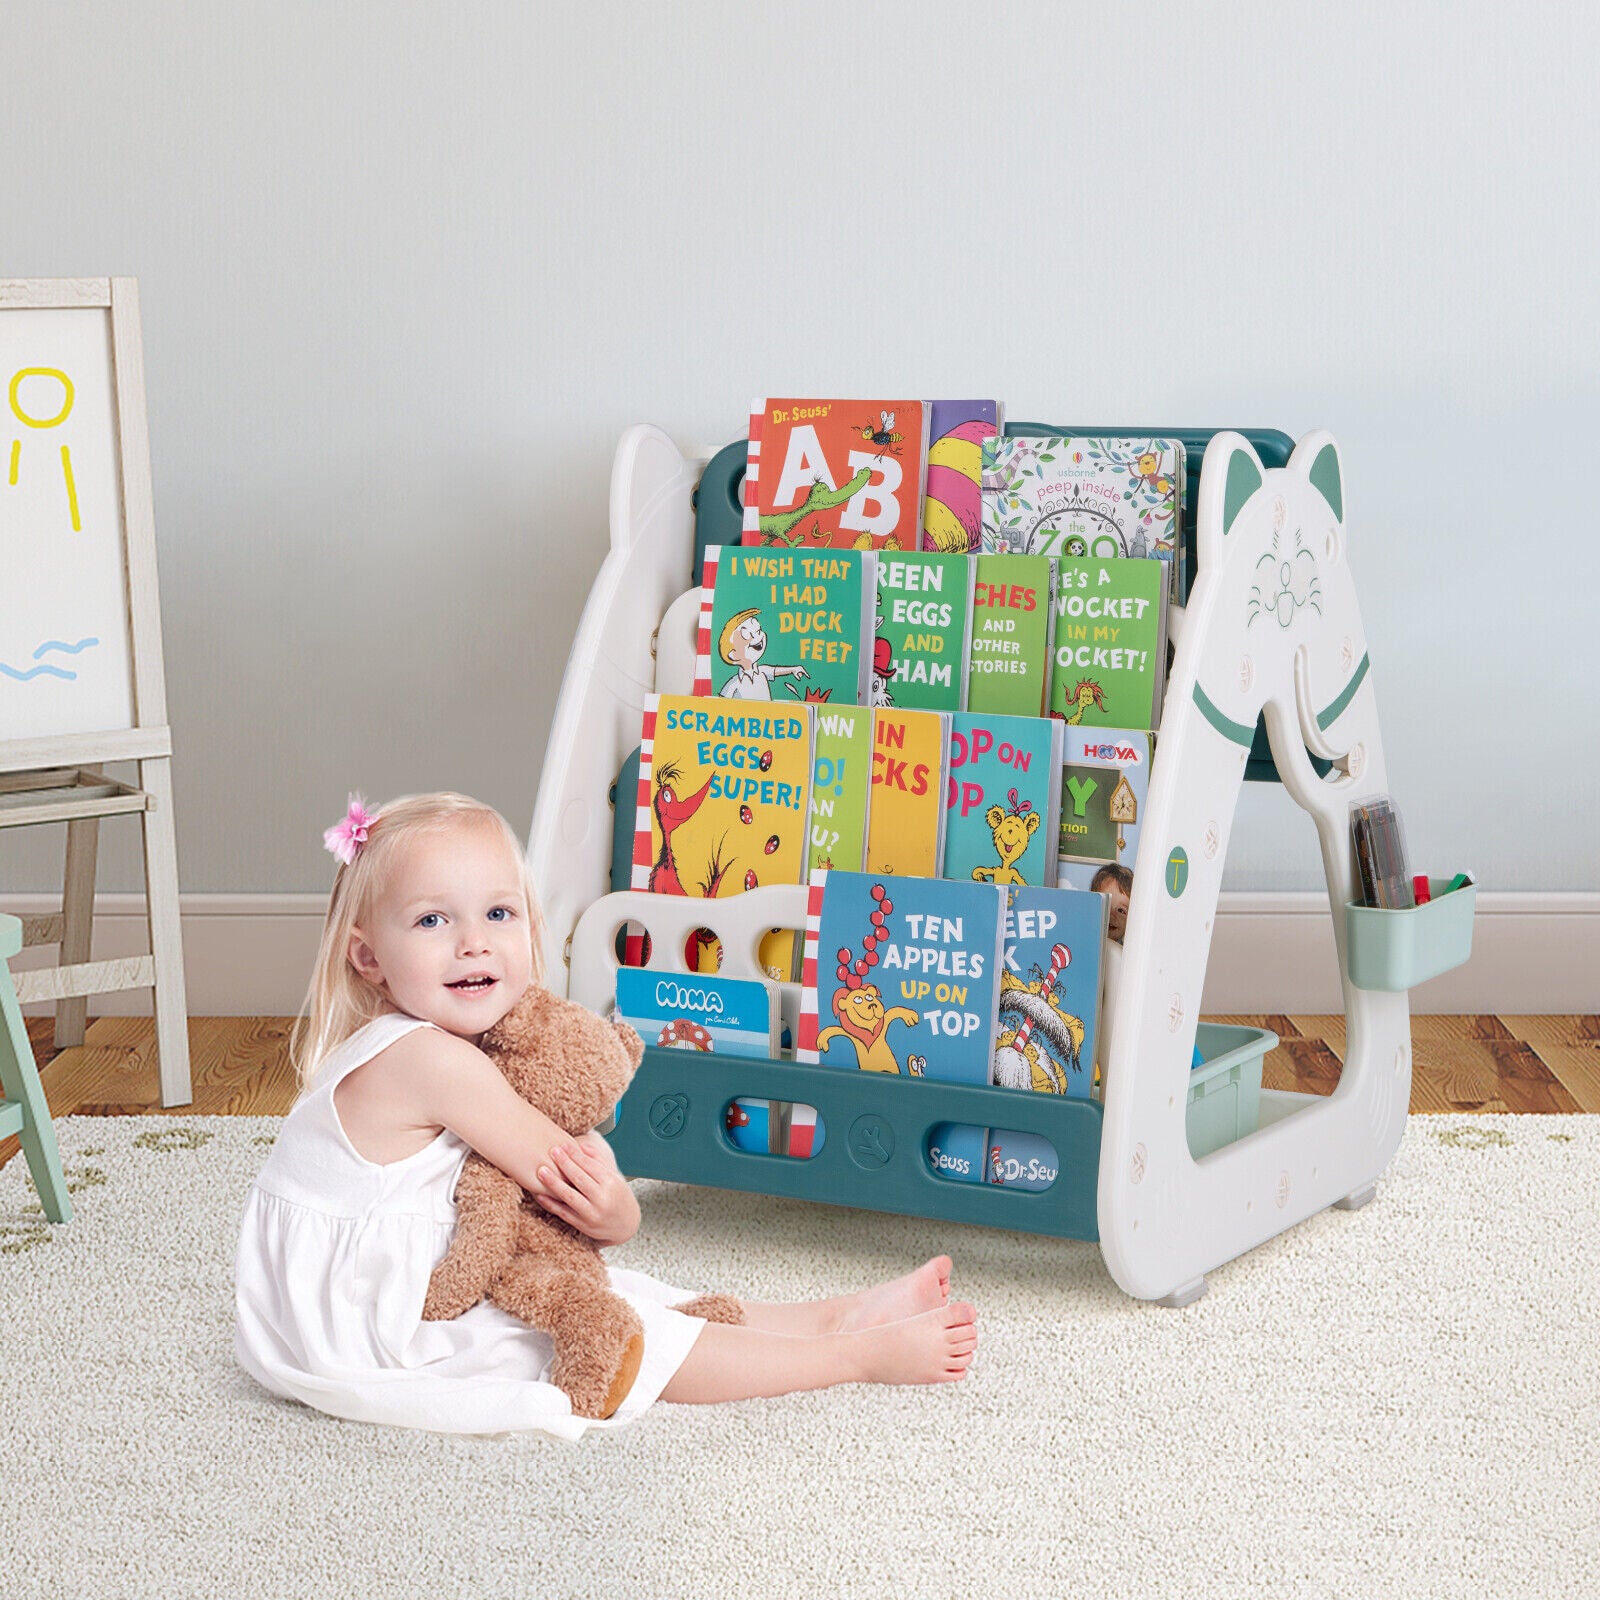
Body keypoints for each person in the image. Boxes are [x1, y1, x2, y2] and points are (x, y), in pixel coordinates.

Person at [234, 791, 976, 1440]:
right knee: (613, 1330)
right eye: (433, 920)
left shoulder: (421, 1045)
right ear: (368, 959)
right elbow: (565, 1175)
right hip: (378, 1317)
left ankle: (836, 1314)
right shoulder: (433, 1061)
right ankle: (848, 1356)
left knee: (627, 1293)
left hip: (385, 1280)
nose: (474, 941)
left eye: (499, 912)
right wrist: (619, 1212)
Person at [1089, 862, 1132, 944]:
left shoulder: (1129, 950)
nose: (1111, 915)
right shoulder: (1083, 939)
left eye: (1121, 910)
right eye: (1105, 905)